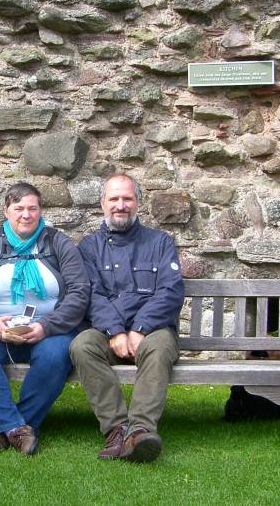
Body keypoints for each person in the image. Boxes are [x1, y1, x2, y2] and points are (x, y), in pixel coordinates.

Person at [0, 182, 89, 455]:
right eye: (19, 208)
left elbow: (79, 293)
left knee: (56, 355)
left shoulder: (59, 244)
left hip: (50, 331)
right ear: (6, 211)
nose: (26, 215)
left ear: (41, 211)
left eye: (32, 208)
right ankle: (17, 429)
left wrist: (45, 326)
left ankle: (5, 427)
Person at [70, 174, 185, 463]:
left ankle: (140, 431)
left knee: (158, 350)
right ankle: (117, 430)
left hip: (153, 332)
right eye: (114, 199)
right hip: (108, 333)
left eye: (127, 199)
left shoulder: (160, 242)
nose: (120, 205)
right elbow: (90, 294)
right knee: (81, 345)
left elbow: (170, 291)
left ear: (138, 203)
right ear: (102, 204)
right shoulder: (88, 248)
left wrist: (140, 328)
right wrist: (115, 331)